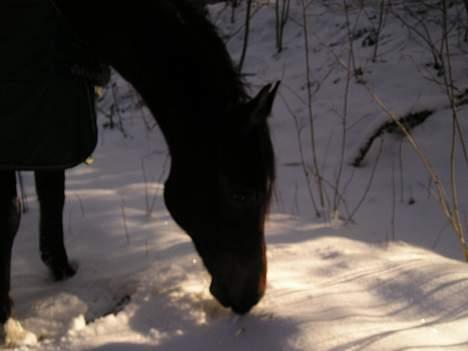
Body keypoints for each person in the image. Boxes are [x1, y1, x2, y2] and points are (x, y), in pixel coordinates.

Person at [0, 0, 109, 323]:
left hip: (32, 74)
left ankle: (46, 259)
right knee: (47, 163)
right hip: (44, 75)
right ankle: (53, 255)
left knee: (17, 175)